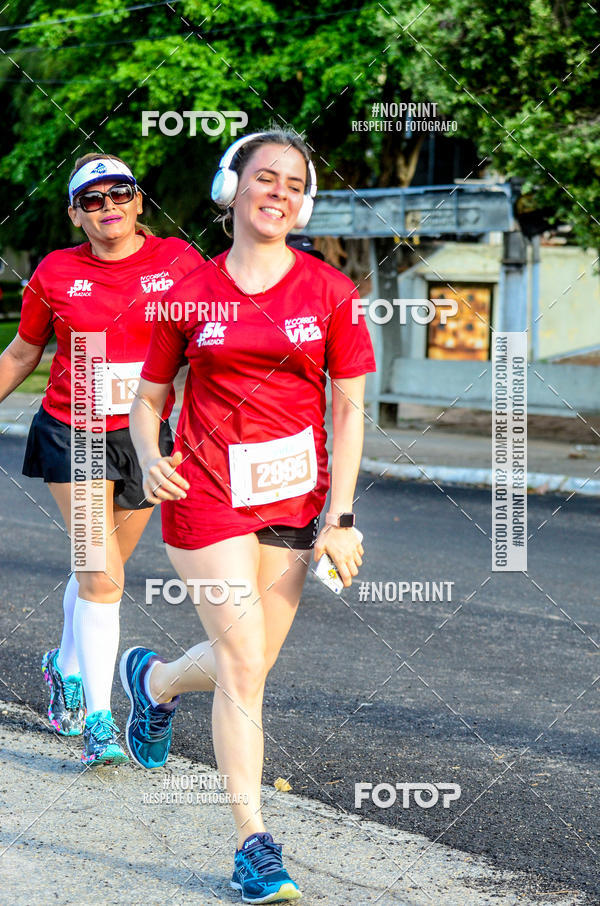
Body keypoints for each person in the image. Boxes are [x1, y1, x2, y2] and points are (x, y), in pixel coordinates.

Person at [120, 130, 375, 903]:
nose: (280, 193)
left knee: (253, 660)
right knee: (241, 664)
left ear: (306, 204)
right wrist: (150, 451)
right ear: (232, 187)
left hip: (296, 500)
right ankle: (251, 842)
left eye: (295, 185)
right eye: (266, 178)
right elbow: (149, 395)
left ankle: (156, 682)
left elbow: (349, 405)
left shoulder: (330, 291)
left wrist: (342, 516)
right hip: (204, 491)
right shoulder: (188, 292)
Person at [0, 153, 203, 765]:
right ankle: (98, 720)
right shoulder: (57, 272)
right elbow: (20, 353)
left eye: (120, 193)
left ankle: (62, 666)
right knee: (102, 575)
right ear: (75, 215)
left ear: (140, 202)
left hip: (145, 440)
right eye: (92, 199)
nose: (108, 205)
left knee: (101, 573)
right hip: (75, 431)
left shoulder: (179, 262)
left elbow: (210, 348)